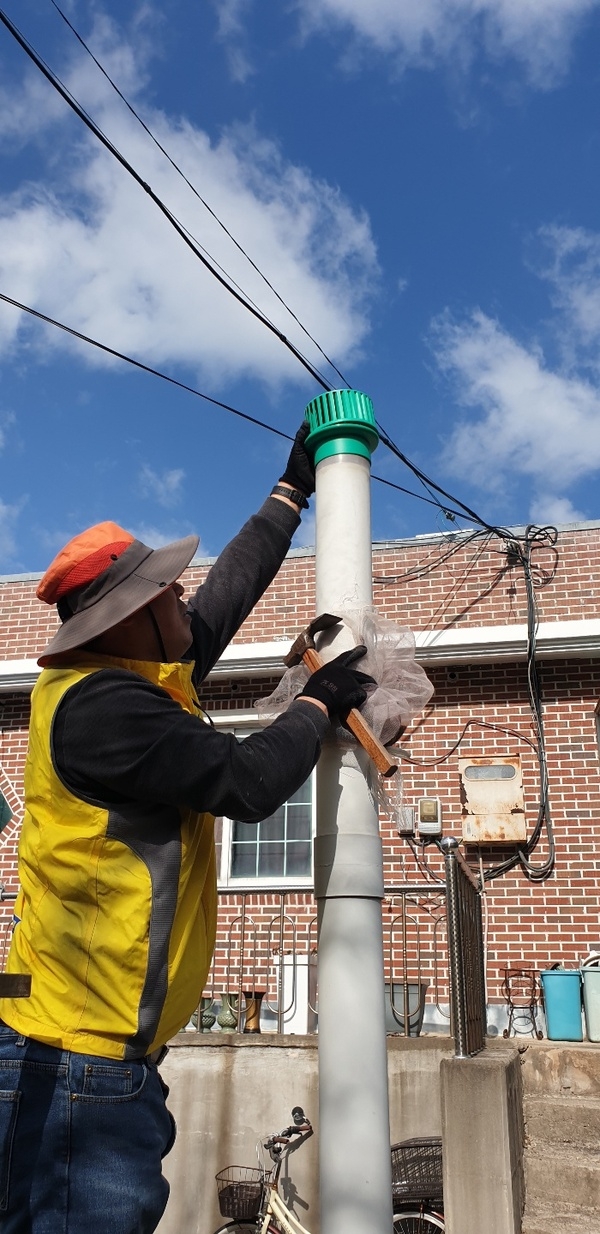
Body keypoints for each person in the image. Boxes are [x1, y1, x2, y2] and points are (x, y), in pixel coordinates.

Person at [0, 425, 373, 1234]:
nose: (183, 597)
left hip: (93, 1063)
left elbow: (225, 598)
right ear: (130, 618)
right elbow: (245, 782)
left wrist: (291, 491)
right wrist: (320, 703)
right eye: (166, 592)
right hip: (81, 1069)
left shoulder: (129, 675)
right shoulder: (106, 709)